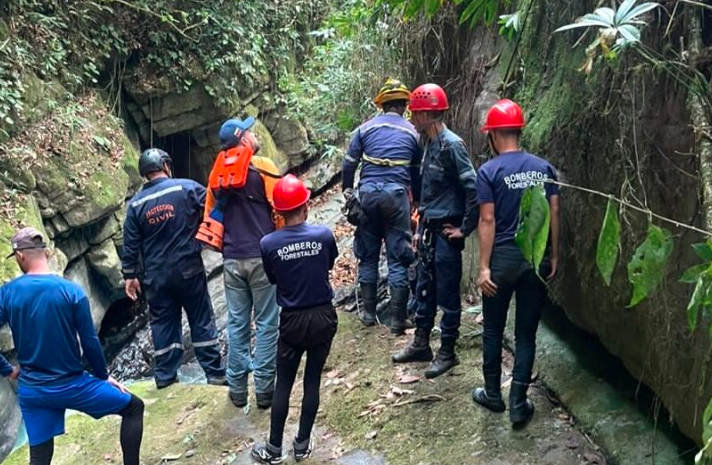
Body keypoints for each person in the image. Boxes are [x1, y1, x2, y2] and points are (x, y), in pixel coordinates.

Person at [0, 227, 144, 465]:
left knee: (40, 454)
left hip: (34, 391)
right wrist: (102, 376)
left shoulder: (7, 294)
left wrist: (8, 370)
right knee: (133, 408)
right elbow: (89, 342)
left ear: (19, 256)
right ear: (47, 253)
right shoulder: (71, 291)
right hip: (74, 386)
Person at [471, 99, 560, 426]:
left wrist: (484, 267)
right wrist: (555, 254)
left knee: (493, 328)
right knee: (526, 333)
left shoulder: (488, 171)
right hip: (534, 257)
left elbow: (488, 220)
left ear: (493, 134)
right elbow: (554, 211)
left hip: (503, 259)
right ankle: (519, 402)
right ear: (519, 131)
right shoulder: (544, 167)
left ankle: (493, 394)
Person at [392, 83, 478, 379]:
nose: (412, 118)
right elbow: (426, 192)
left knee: (448, 294)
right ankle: (421, 343)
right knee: (423, 288)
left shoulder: (451, 145)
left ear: (429, 114)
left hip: (447, 231)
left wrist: (465, 229)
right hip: (429, 229)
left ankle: (448, 352)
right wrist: (419, 228)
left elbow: (473, 187)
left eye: (416, 113)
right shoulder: (426, 143)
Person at [196, 118, 283, 409]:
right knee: (268, 322)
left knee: (236, 325)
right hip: (262, 257)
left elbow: (210, 217)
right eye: (250, 131)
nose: (255, 134)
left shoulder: (216, 175)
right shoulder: (263, 167)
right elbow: (280, 208)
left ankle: (236, 390)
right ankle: (264, 390)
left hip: (232, 259)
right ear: (243, 139)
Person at [251, 175, 338, 464]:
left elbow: (273, 278)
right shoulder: (324, 235)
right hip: (323, 316)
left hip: (291, 320)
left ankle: (274, 449)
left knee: (284, 383)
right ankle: (302, 444)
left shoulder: (268, 243)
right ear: (306, 207)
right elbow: (328, 263)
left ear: (277, 212)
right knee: (312, 380)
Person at [122, 148, 225, 389]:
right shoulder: (186, 188)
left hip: (156, 276)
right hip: (188, 267)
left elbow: (130, 244)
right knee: (200, 318)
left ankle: (166, 377)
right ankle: (215, 373)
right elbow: (214, 207)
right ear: (165, 165)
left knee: (163, 323)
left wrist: (130, 276)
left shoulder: (136, 204)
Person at [342, 78, 422, 335]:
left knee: (368, 253)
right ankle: (398, 319)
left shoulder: (364, 130)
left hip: (367, 195)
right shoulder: (412, 132)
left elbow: (349, 164)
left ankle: (367, 313)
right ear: (403, 106)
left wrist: (347, 193)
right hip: (397, 196)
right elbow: (416, 173)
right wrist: (416, 201)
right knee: (398, 256)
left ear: (382, 106)